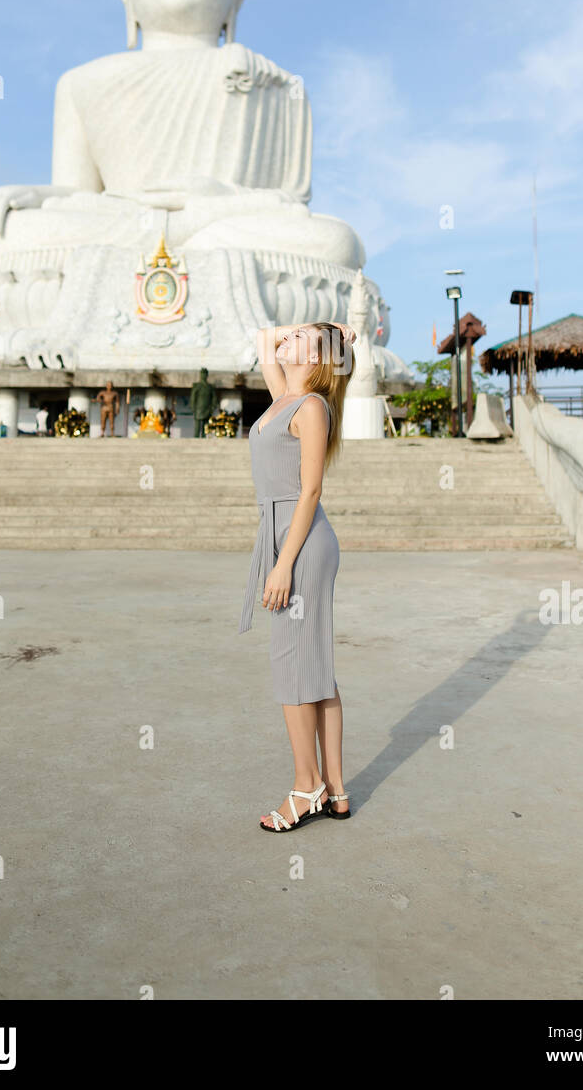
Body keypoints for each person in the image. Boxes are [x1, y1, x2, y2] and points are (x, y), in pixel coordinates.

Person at [239, 321, 357, 832]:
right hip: (286, 534)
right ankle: (336, 790)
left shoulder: (311, 407)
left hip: (302, 542)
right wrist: (318, 334)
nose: (285, 341)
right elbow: (264, 335)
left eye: (299, 337)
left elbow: (310, 490)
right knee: (315, 667)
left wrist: (282, 565)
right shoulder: (281, 397)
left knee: (293, 667)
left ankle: (305, 787)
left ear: (317, 356)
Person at [189, 368, 216, 437]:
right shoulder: (197, 386)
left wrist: (212, 408)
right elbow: (193, 398)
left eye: (205, 374)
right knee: (197, 428)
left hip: (207, 409)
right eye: (202, 374)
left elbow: (214, 399)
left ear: (207, 375)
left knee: (205, 427)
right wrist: (193, 407)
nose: (203, 375)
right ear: (200, 375)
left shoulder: (210, 387)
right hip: (198, 409)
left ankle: (204, 442)